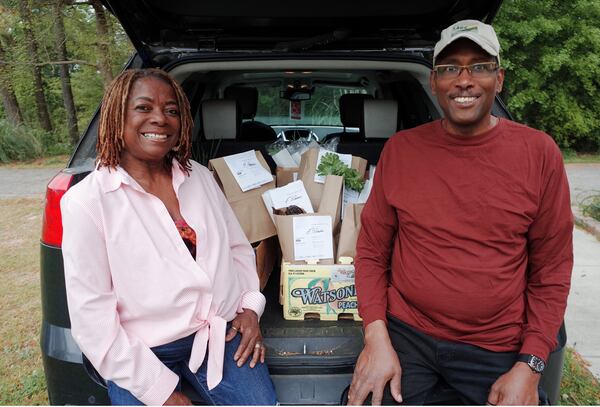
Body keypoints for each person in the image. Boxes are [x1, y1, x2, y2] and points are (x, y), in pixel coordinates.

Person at [349, 20, 573, 406]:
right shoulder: (402, 150)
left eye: (479, 66)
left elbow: (552, 272)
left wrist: (530, 365)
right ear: (435, 82)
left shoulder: (539, 154)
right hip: (408, 335)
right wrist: (376, 337)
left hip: (498, 344)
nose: (464, 80)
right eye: (451, 67)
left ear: (499, 79)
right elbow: (371, 252)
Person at [61, 68, 277, 406]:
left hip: (219, 333)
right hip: (141, 351)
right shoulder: (87, 201)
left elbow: (238, 250)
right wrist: (160, 393)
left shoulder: (201, 178)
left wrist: (250, 308)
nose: (160, 118)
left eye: (172, 110)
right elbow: (93, 320)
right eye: (144, 108)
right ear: (117, 116)